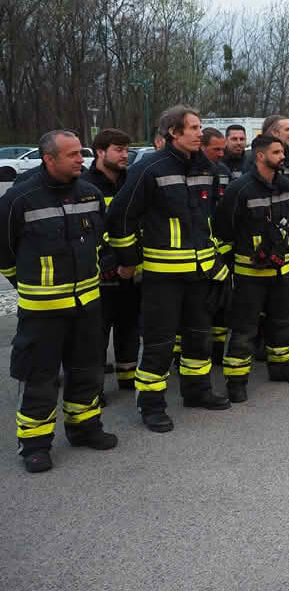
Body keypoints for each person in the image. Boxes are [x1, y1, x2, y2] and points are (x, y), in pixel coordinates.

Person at [107, 105, 231, 433]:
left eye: (200, 127)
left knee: (199, 336)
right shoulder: (148, 168)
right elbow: (120, 217)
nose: (200, 133)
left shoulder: (208, 167)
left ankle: (197, 391)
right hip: (163, 275)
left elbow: (207, 218)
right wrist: (129, 260)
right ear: (174, 133)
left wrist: (215, 262)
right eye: (193, 128)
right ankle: (151, 405)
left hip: (200, 272)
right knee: (159, 343)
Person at [1, 130, 117, 472]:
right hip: (43, 310)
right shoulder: (19, 199)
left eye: (81, 152)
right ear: (49, 159)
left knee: (86, 371)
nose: (82, 159)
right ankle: (35, 445)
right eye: (73, 154)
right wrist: (27, 283)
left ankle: (84, 428)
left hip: (87, 306)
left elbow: (102, 240)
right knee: (40, 377)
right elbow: (4, 253)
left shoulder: (90, 193)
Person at [213, 135, 289, 401]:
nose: (282, 157)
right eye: (276, 152)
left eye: (282, 152)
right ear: (260, 156)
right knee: (244, 329)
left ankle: (282, 367)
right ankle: (236, 381)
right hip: (249, 274)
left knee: (283, 322)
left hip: (282, 270)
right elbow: (223, 229)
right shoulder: (240, 189)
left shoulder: (284, 185)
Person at [82, 128, 141, 393]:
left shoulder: (133, 182)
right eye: (118, 150)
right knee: (96, 333)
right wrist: (108, 261)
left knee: (129, 326)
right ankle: (93, 389)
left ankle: (128, 378)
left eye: (126, 150)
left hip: (131, 268)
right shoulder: (85, 186)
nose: (124, 155)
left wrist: (131, 260)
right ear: (100, 152)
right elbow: (88, 230)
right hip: (100, 272)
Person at [201, 127, 232, 362]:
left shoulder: (221, 170)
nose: (221, 154)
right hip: (197, 251)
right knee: (199, 308)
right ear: (201, 147)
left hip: (221, 248)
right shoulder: (193, 171)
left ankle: (218, 351)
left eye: (223, 149)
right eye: (216, 149)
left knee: (220, 303)